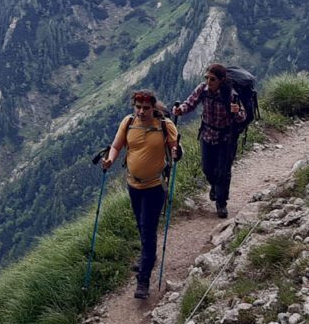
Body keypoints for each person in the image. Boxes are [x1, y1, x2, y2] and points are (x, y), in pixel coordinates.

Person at [101, 90, 179, 299]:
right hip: (133, 185)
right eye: (138, 107)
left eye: (146, 108)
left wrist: (176, 152)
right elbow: (117, 145)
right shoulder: (128, 123)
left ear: (154, 107)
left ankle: (143, 280)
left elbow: (176, 149)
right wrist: (110, 159)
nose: (142, 111)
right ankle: (148, 257)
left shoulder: (164, 125)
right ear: (134, 106)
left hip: (155, 186)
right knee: (141, 225)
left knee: (147, 227)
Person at [173, 63, 247, 219]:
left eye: (212, 79)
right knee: (207, 168)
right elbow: (190, 103)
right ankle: (214, 186)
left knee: (223, 171)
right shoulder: (202, 90)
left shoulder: (230, 94)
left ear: (221, 80)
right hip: (207, 134)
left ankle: (221, 203)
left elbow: (242, 116)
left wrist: (236, 112)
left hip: (226, 138)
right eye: (206, 77)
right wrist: (180, 110)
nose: (208, 81)